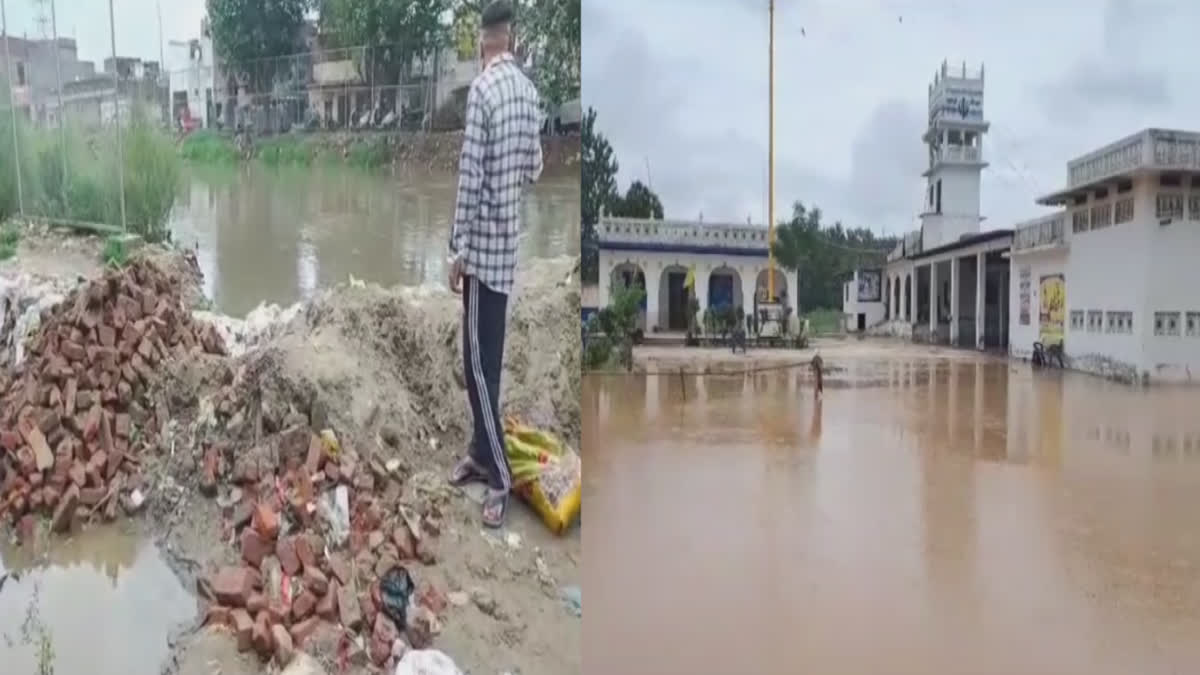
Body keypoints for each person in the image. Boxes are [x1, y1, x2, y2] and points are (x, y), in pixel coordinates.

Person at [446, 0, 544, 529]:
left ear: (485, 40)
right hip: (509, 247)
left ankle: (500, 475)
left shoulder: (482, 92)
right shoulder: (530, 94)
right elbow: (534, 167)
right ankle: (479, 453)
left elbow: (469, 179)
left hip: (483, 251)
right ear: (513, 37)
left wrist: (455, 250)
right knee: (489, 358)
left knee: (476, 365)